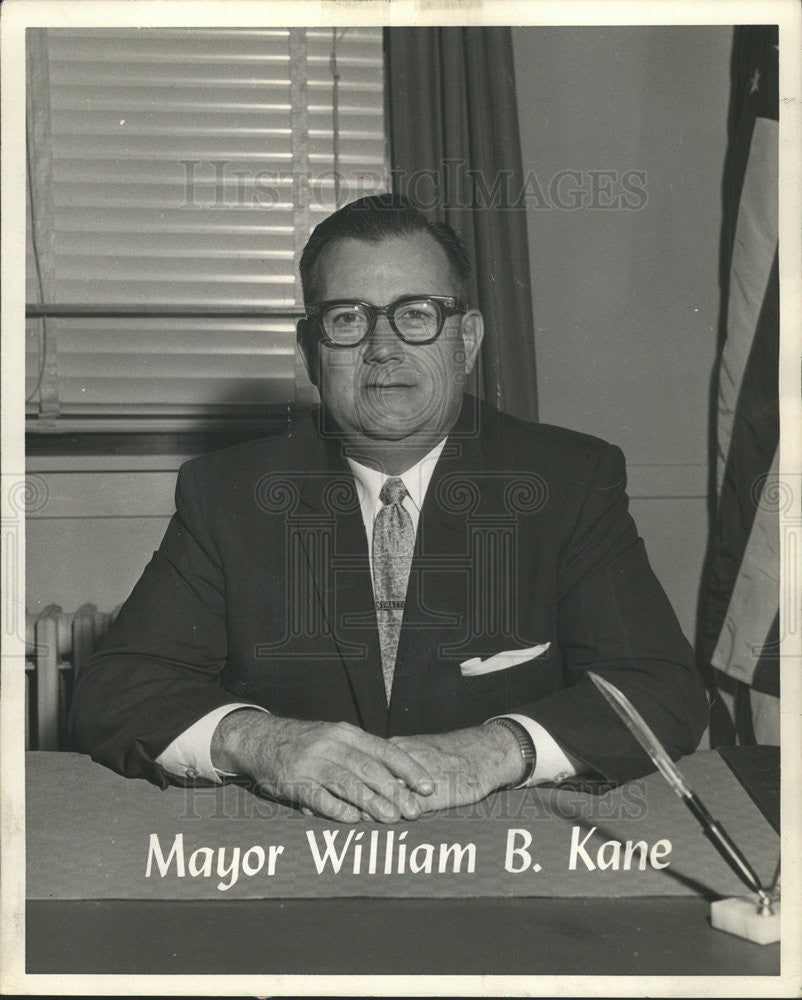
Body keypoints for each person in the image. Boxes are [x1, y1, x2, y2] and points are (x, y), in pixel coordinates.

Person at [70, 194, 708, 823]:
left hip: (507, 852)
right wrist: (263, 743)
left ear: (467, 339)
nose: (383, 347)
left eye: (418, 314)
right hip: (292, 851)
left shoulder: (568, 482)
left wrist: (498, 749)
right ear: (309, 349)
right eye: (348, 318)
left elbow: (662, 692)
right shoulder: (229, 492)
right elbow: (118, 691)